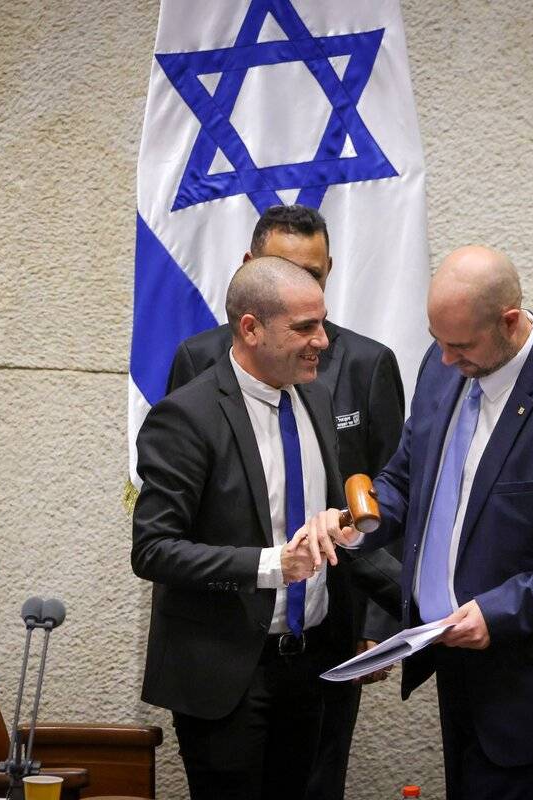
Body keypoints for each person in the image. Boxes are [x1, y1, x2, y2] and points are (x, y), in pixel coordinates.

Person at [315, 245, 533, 799]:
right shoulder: (445, 362)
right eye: (437, 340)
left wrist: (498, 611)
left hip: (527, 678)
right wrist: (360, 523)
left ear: (510, 321)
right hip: (453, 659)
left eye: (461, 345)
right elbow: (406, 477)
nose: (445, 359)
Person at [131, 256, 393, 800]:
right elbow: (153, 549)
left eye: (322, 322)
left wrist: (344, 531)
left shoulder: (316, 397)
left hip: (312, 662)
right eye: (304, 328)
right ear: (250, 328)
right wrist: (272, 565)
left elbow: (323, 511)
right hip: (227, 673)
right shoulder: (186, 416)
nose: (323, 340)